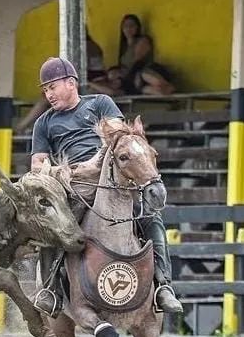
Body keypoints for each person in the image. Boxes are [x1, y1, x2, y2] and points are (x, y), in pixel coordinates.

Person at [29, 56, 183, 317]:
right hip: (74, 187)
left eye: (52, 87)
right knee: (52, 228)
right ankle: (50, 290)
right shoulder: (43, 122)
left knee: (151, 217)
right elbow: (37, 164)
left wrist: (96, 163)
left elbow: (119, 137)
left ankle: (163, 286)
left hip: (111, 179)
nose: (49, 94)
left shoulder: (100, 103)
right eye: (45, 90)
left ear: (71, 83)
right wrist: (66, 171)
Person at [17, 31, 108, 132]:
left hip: (94, 84)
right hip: (77, 84)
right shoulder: (72, 47)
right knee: (47, 98)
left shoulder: (90, 47)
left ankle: (24, 127)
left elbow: (91, 73)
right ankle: (23, 127)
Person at [117, 14, 175, 96]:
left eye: (132, 25)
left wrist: (131, 76)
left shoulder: (142, 40)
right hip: (133, 80)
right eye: (125, 26)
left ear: (137, 27)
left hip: (145, 71)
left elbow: (138, 62)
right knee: (147, 89)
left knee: (144, 76)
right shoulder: (124, 48)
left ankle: (167, 86)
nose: (128, 28)